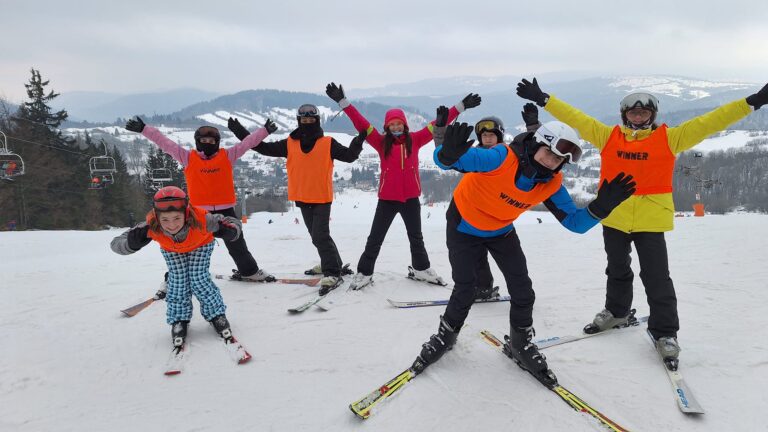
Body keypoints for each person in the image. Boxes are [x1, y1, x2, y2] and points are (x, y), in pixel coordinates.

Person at [516, 77, 768, 367]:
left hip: (651, 220)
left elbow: (710, 121)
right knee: (617, 269)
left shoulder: (670, 138)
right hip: (614, 216)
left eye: (644, 113)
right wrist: (544, 99)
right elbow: (577, 118)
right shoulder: (608, 136)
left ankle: (665, 333)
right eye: (634, 113)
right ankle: (617, 311)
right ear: (625, 115)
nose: (639, 117)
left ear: (652, 116)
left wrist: (752, 102)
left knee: (656, 276)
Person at [410, 122, 636, 382]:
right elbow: (449, 162)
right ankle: (445, 337)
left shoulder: (550, 183)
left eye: (559, 159)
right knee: (465, 288)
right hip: (464, 226)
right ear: (537, 143)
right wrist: (447, 152)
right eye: (549, 153)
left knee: (523, 291)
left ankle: (520, 344)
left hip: (501, 231)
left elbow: (575, 224)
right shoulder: (501, 157)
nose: (552, 162)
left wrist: (603, 206)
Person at [325, 82, 481, 290]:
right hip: (387, 199)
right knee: (375, 238)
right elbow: (361, 123)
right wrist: (343, 102)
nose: (396, 127)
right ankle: (364, 273)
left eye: (399, 124)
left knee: (416, 237)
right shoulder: (380, 142)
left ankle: (421, 268)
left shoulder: (415, 140)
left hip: (410, 199)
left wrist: (461, 106)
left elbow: (438, 123)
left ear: (405, 125)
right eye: (392, 124)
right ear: (387, 126)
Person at [228, 104, 366, 294]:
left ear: (317, 121)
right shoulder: (289, 143)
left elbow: (350, 156)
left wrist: (358, 141)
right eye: (304, 121)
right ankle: (334, 263)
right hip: (302, 197)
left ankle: (332, 272)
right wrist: (240, 131)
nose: (307, 124)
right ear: (299, 122)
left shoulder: (328, 143)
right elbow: (262, 148)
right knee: (317, 236)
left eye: (311, 121)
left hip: (321, 197)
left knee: (320, 236)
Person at [125, 116, 276, 282]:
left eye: (211, 140)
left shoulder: (227, 156)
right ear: (197, 141)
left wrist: (265, 131)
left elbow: (247, 143)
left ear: (217, 142)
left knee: (237, 243)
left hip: (225, 209)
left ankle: (249, 271)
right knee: (185, 246)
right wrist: (144, 129)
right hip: (198, 212)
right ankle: (174, 279)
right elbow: (165, 143)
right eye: (204, 140)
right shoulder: (188, 157)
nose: (208, 143)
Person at [110, 186, 245, 350]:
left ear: (186, 214)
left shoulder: (202, 218)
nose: (171, 225)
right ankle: (179, 318)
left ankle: (216, 314)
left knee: (198, 279)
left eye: (176, 218)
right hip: (172, 249)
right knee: (178, 282)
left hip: (200, 245)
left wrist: (230, 231)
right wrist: (131, 244)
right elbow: (116, 244)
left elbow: (233, 222)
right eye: (165, 220)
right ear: (157, 217)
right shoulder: (150, 225)